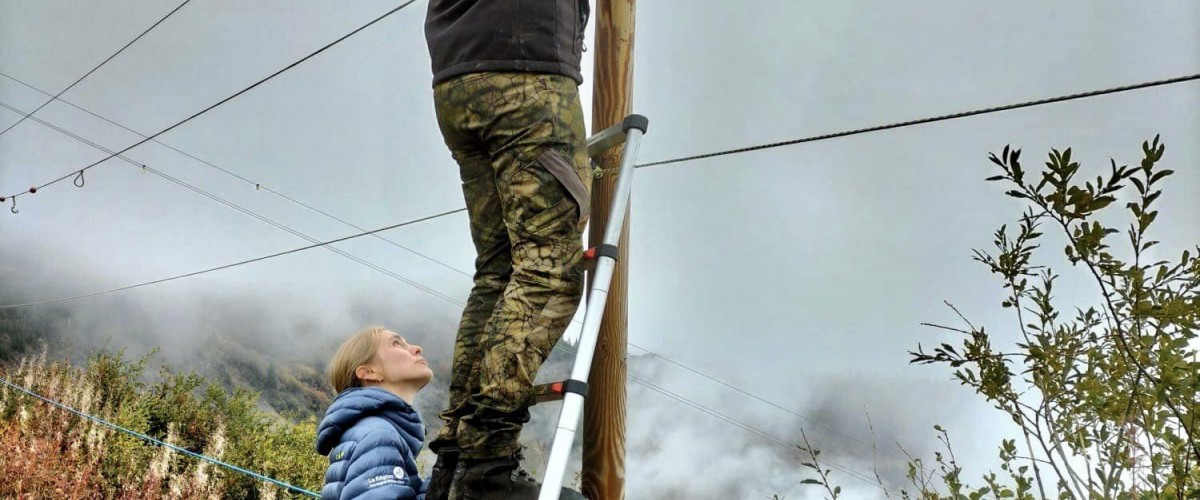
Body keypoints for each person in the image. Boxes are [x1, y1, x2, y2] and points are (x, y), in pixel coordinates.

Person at [423, 0, 593, 498]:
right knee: (548, 271)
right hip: (526, 71)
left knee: (498, 272)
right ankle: (485, 468)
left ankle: (454, 461)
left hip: (455, 75)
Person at [317, 326, 435, 500]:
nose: (417, 348)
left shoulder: (367, 430)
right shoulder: (378, 435)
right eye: (397, 343)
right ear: (369, 372)